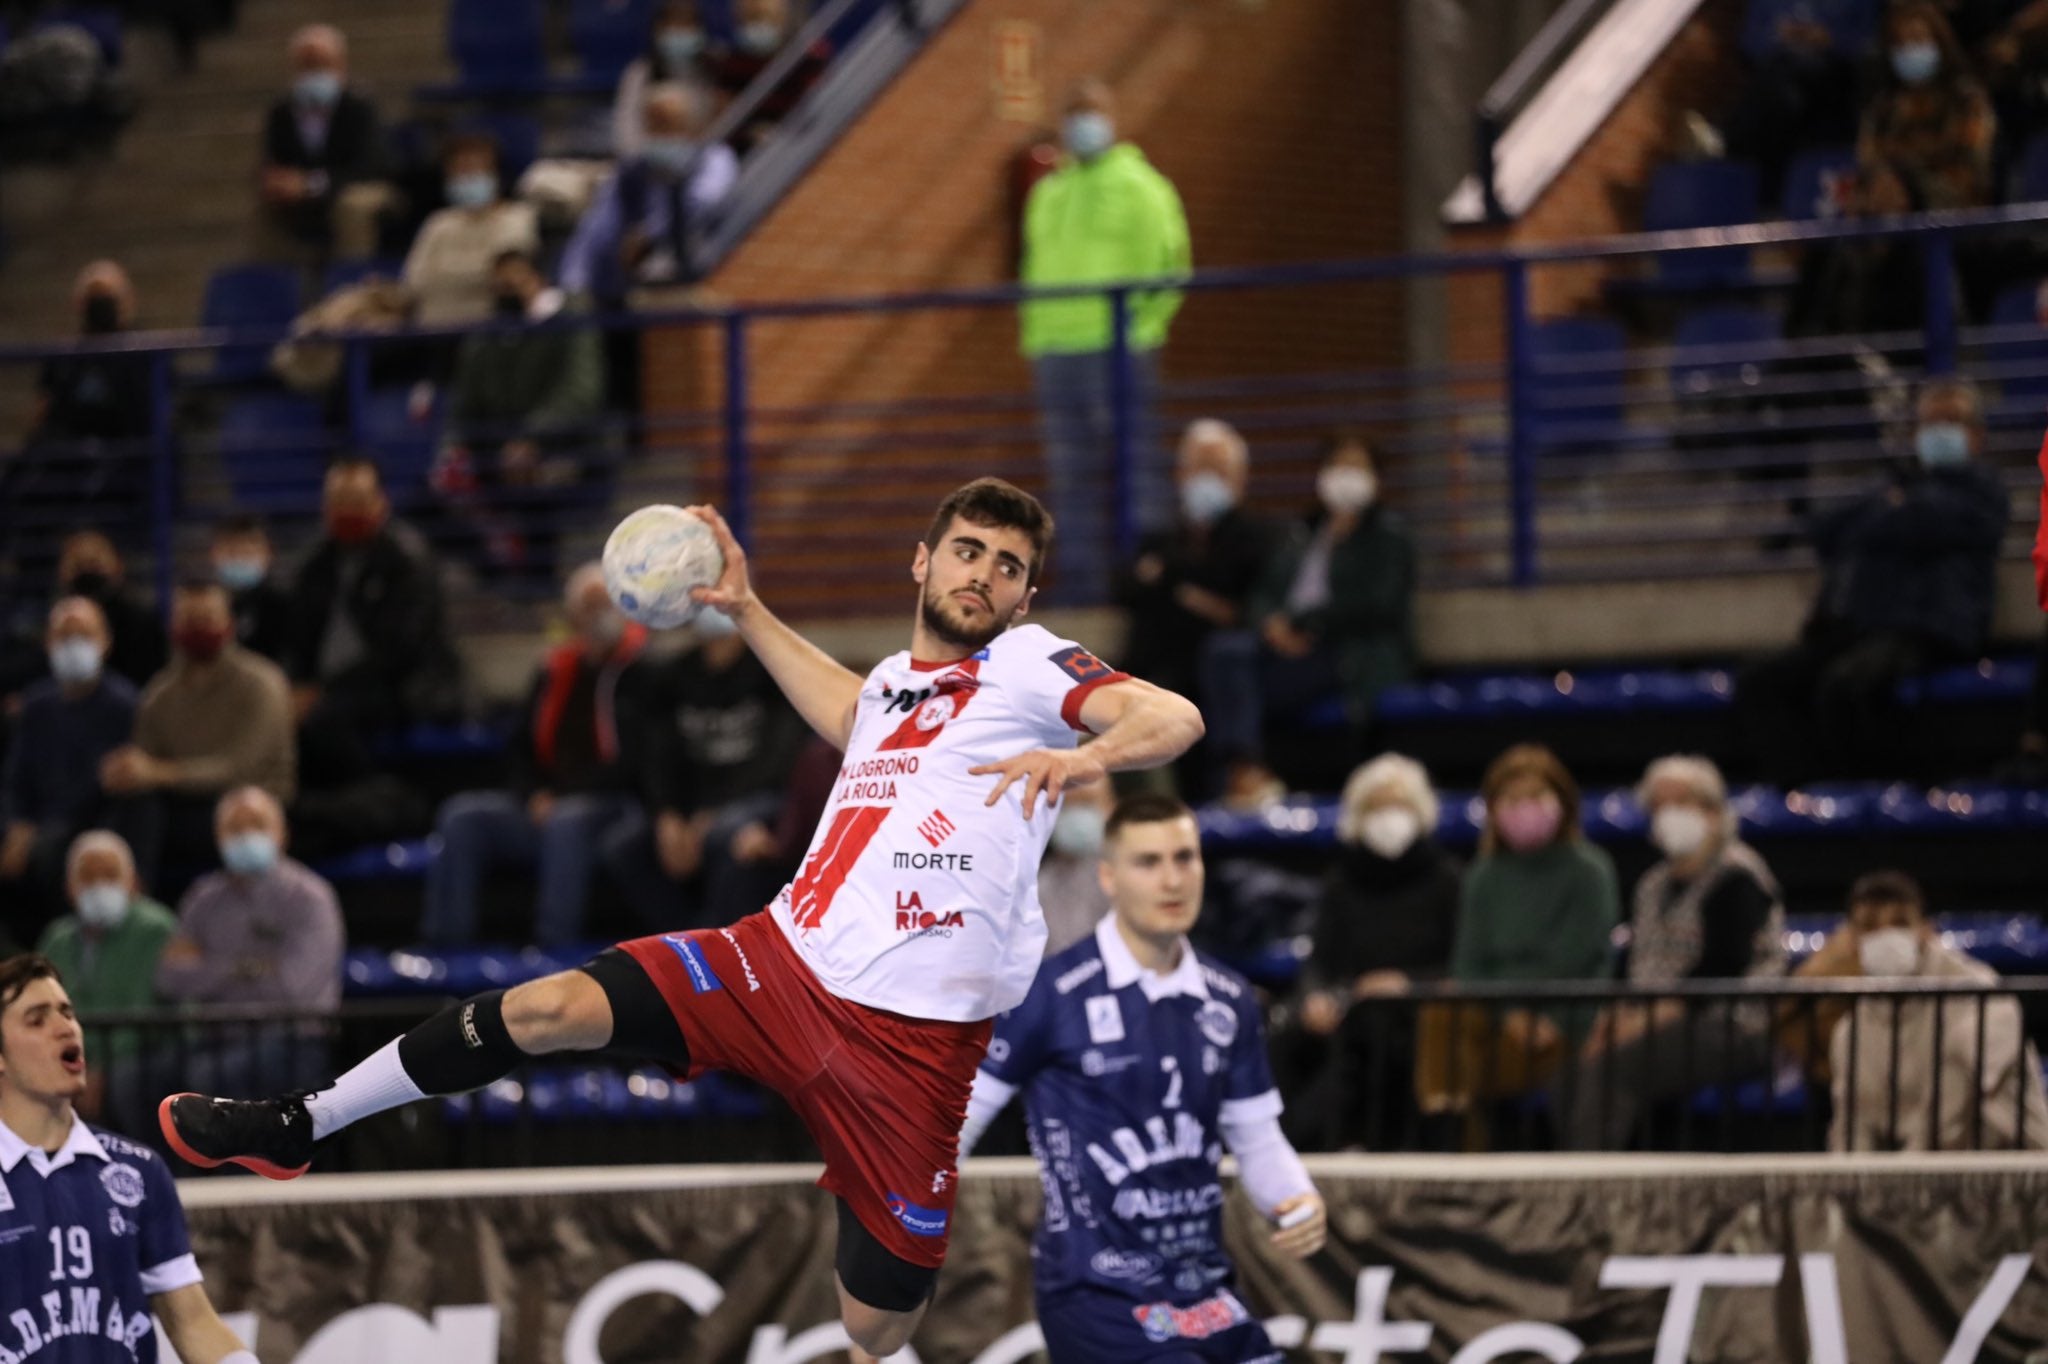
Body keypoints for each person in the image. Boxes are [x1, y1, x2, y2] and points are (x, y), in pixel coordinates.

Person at [161, 478, 1205, 1362]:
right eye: (966, 552)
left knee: (877, 1322)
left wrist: (1083, 756)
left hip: (913, 1046)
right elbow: (851, 711)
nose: (982, 573)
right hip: (778, 962)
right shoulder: (893, 683)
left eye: (1007, 565)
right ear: (921, 562)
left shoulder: (1026, 669)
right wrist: (746, 610)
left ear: (1025, 595)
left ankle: (864, 1217)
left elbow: (1172, 716)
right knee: (546, 1005)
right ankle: (302, 1120)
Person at [957, 793, 1324, 1362]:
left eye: (1185, 858)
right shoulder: (1051, 996)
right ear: (1108, 876)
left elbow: (1258, 1140)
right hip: (1094, 1298)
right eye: (1148, 862)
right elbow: (954, 1123)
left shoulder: (1230, 1000)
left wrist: (1296, 1197)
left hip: (1207, 1292)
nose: (1172, 879)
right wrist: (892, 1245)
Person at [1736, 377, 2009, 784]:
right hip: (1859, 626)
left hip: (1927, 628)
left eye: (1951, 422)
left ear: (1977, 435)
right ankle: (1799, 791)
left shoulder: (1984, 489)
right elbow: (1826, 527)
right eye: (1930, 423)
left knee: (1847, 686)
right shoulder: (1895, 486)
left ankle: (1869, 797)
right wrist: (1891, 508)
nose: (1939, 433)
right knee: (1761, 681)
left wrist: (1889, 511)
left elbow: (1929, 523)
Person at [0, 954, 257, 1364]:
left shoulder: (137, 1169)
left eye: (67, 1012)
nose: (65, 1027)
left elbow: (192, 1321)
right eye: (37, 1019)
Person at [1559, 755, 1786, 1151]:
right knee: (1565, 1074)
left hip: (1730, 1026)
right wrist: (1612, 1021)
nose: (1669, 814)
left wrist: (1641, 1023)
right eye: (1659, 806)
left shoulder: (1739, 875)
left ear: (1714, 812)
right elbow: (1634, 965)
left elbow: (1719, 971)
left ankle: (1587, 1190)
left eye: (1682, 803)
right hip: (1656, 1021)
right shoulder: (1651, 885)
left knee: (1616, 1067)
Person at [1020, 78, 1191, 598]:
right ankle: (1084, 585)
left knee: (1134, 465)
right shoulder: (1048, 192)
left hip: (1117, 349)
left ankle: (1144, 578)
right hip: (1056, 350)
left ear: (1112, 117)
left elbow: (1171, 264)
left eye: (1091, 111)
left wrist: (1141, 330)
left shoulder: (1141, 185)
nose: (1083, 123)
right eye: (1073, 113)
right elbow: (1034, 266)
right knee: (1069, 477)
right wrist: (1036, 336)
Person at [422, 566, 651, 947]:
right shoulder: (552, 671)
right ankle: (445, 951)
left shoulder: (642, 673)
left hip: (613, 809)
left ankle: (550, 949)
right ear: (574, 616)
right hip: (546, 805)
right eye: (589, 607)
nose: (599, 616)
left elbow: (636, 762)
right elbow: (519, 750)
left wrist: (561, 797)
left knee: (567, 820)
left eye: (606, 605)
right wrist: (532, 794)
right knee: (462, 817)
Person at [1201, 433, 1416, 806]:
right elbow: (1262, 593)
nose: (1346, 474)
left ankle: (1240, 774)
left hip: (1345, 654)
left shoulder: (1389, 539)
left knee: (1233, 689)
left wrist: (1305, 624)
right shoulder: (1303, 533)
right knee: (1223, 653)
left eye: (1357, 466)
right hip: (1282, 648)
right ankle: (1245, 769)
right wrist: (1271, 623)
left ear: (1376, 478)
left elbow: (1377, 605)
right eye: (1338, 465)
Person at [1419, 744, 1619, 1138]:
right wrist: (1510, 1012)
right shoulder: (1483, 875)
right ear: (1493, 809)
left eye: (1535, 797)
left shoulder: (1590, 871)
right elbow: (1468, 966)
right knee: (1441, 1013)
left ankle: (1451, 1150)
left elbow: (1586, 958)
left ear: (1562, 802)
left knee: (1460, 1069)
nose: (1524, 809)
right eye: (1512, 799)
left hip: (1562, 1025)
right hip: (1499, 1020)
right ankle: (1453, 1129)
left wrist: (1553, 1019)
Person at [1275, 753, 1460, 1152]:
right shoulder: (1342, 882)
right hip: (1350, 1023)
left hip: (1420, 1022)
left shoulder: (1446, 878)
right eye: (1378, 807)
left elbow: (1461, 964)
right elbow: (1320, 960)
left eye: (1399, 806)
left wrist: (1408, 985)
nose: (1389, 817)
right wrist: (1315, 997)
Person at [602, 608, 804, 933]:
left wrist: (711, 814)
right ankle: (683, 940)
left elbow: (778, 761)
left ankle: (718, 943)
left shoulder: (770, 673)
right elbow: (658, 756)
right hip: (690, 807)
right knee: (623, 847)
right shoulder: (673, 677)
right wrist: (667, 815)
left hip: (757, 798)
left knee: (728, 833)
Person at [1824, 871, 2048, 1150]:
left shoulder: (1978, 992)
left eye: (1900, 923)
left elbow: (1957, 1109)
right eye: (1870, 927)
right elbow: (1851, 1129)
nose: (1885, 936)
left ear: (1926, 930)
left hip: (2014, 1160)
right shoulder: (1851, 1031)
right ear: (1852, 938)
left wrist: (1912, 1171)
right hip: (1919, 1172)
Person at [102, 581, 295, 889]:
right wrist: (127, 772)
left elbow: (240, 768)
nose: (197, 628)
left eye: (207, 619)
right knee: (129, 811)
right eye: (189, 620)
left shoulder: (262, 683)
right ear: (172, 626)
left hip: (254, 805)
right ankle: (132, 909)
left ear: (229, 624)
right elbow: (145, 764)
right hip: (185, 806)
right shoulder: (159, 695)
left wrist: (161, 773)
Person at [156, 787, 344, 1099]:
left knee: (203, 1077)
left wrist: (207, 968)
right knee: (133, 1081)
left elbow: (292, 989)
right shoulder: (203, 898)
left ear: (281, 834)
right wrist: (248, 968)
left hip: (293, 1041)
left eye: (256, 825)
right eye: (235, 828)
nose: (246, 836)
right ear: (218, 838)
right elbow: (169, 978)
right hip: (215, 1038)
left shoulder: (311, 898)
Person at [431, 249, 608, 579]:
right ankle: (495, 574)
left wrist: (532, 438)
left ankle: (538, 583)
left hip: (562, 447)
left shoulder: (570, 320)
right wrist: (452, 448)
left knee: (534, 485)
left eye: (515, 282)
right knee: (425, 499)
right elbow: (463, 406)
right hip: (497, 451)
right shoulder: (487, 335)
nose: (507, 291)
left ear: (537, 279)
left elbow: (580, 393)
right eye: (500, 285)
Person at [286, 457, 462, 787]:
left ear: (381, 502)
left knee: (324, 720)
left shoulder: (408, 560)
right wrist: (295, 685)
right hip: (327, 688)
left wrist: (323, 692)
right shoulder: (315, 565)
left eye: (356, 501)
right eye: (338, 502)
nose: (347, 511)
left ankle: (372, 795)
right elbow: (298, 637)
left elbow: (399, 651)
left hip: (402, 688)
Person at [0, 598, 137, 938]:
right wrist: (17, 824)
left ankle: (56, 948)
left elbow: (104, 786)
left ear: (105, 642)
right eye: (64, 635)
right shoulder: (36, 704)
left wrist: (37, 831)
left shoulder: (124, 705)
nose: (73, 645)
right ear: (48, 643)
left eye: (84, 634)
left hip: (90, 823)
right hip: (35, 825)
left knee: (54, 853)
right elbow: (16, 778)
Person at [1114, 419, 1275, 708]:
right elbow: (1125, 589)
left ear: (1240, 479)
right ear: (1180, 474)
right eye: (1201, 467)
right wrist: (1190, 592)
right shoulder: (1161, 538)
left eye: (1218, 469)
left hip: (1221, 672)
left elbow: (1242, 605)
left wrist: (1169, 581)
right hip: (1156, 666)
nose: (1208, 479)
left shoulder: (1260, 538)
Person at [35, 831, 178, 1126]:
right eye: (88, 876)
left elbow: (143, 1015)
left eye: (110, 875)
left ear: (133, 883)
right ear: (69, 888)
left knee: (127, 1083)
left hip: (149, 1053)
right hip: (77, 1058)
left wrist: (99, 1069)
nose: (99, 885)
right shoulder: (57, 938)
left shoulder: (156, 929)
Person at [560, 83, 739, 304]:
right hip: (632, 278)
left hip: (698, 262)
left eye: (665, 123)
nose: (657, 133)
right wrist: (573, 284)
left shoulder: (714, 159)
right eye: (651, 124)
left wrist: (650, 234)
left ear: (693, 127)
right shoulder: (635, 169)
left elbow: (704, 203)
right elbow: (599, 224)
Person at [258, 24, 387, 256]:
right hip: (302, 193)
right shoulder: (282, 112)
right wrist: (277, 182)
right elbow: (272, 159)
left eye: (321, 64)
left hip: (361, 186)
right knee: (265, 207)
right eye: (307, 65)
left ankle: (351, 281)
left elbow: (369, 166)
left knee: (352, 205)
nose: (314, 73)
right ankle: (274, 285)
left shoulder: (360, 107)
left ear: (340, 65)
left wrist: (311, 184)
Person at [1859, 1, 1998, 209]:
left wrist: (1909, 178)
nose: (1909, 50)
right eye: (1900, 44)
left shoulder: (1966, 100)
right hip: (1889, 201)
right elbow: (1870, 161)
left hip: (1957, 206)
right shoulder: (1884, 109)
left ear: (1939, 42)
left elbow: (1971, 162)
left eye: (1917, 39)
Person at [401, 133, 542, 327]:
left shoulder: (518, 217)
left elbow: (505, 275)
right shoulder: (438, 222)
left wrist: (443, 273)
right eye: (459, 171)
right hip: (429, 330)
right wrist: (480, 273)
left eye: (473, 169)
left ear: (495, 173)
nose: (465, 177)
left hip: (488, 330)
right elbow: (415, 280)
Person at [52, 530, 167, 692]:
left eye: (94, 564)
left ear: (118, 565)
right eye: (79, 565)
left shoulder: (143, 623)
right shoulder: (52, 622)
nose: (87, 571)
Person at [612, 0, 717, 160]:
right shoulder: (639, 74)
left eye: (686, 26)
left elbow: (715, 130)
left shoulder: (711, 75)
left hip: (695, 164)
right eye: (674, 26)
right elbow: (626, 133)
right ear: (658, 29)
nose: (680, 33)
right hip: (646, 165)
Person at [1035, 777, 1113, 955]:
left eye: (1086, 805)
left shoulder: (1132, 874)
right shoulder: (1035, 889)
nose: (1077, 815)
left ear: (1110, 805)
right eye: (1066, 807)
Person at [210, 515, 292, 664]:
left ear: (268, 554)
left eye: (248, 552)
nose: (240, 559)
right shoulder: (201, 609)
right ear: (215, 554)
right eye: (232, 552)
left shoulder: (286, 606)